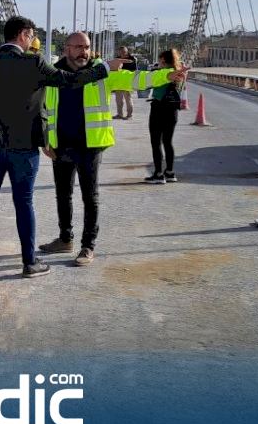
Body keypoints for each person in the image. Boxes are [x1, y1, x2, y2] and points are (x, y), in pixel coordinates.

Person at [0, 16, 109, 278]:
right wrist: (103, 69)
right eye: (31, 36)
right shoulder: (34, 63)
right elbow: (70, 80)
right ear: (23, 34)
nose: (32, 41)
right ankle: (29, 263)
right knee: (24, 202)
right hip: (24, 146)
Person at [40, 34, 183, 266]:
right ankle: (65, 239)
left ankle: (88, 246)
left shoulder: (101, 71)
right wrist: (44, 139)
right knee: (63, 195)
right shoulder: (54, 74)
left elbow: (135, 79)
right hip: (60, 145)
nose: (84, 51)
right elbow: (43, 109)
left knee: (90, 197)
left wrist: (165, 75)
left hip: (90, 145)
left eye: (87, 47)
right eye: (78, 47)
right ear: (66, 49)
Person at [145, 49, 186, 185]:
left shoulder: (162, 74)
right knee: (168, 142)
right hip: (172, 111)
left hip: (159, 109)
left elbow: (154, 90)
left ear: (163, 60)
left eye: (160, 61)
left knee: (156, 142)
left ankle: (158, 174)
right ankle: (170, 172)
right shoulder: (179, 73)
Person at [111, 46, 138, 120]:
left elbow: (134, 70)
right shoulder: (117, 59)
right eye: (121, 52)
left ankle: (129, 115)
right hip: (118, 81)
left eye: (124, 52)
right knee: (118, 99)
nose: (122, 54)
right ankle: (119, 114)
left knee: (128, 99)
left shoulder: (132, 59)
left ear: (127, 52)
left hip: (127, 82)